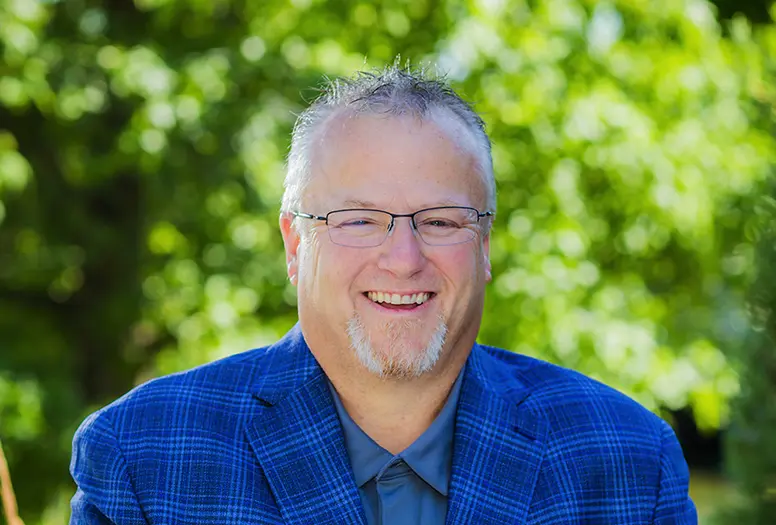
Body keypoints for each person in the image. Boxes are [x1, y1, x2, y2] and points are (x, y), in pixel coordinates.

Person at [70, 66, 698, 524]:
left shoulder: (628, 462)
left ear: (485, 246)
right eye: (358, 219)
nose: (403, 259)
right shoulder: (143, 461)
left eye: (443, 220)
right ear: (294, 244)